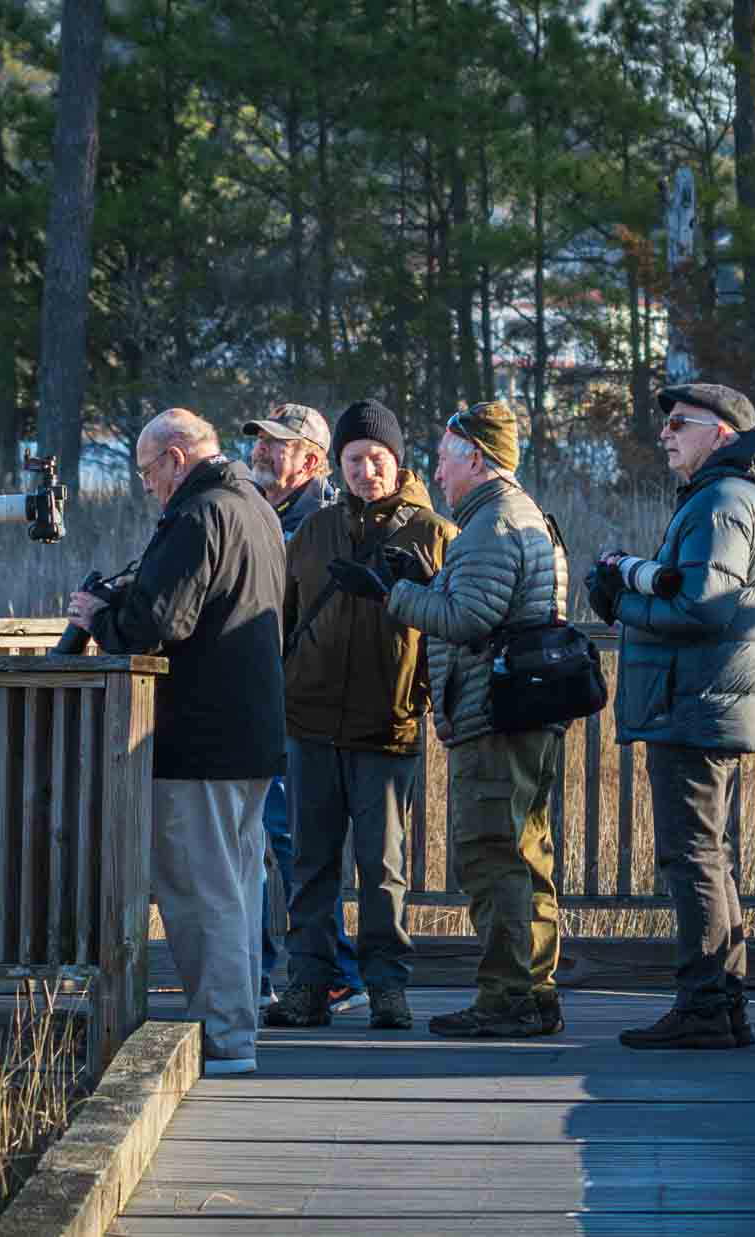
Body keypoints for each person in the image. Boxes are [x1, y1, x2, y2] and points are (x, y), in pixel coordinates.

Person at [338, 400, 567, 1039]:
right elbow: (486, 604)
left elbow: (469, 622)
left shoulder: (492, 525)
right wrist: (433, 582)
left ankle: (506, 999)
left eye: (444, 459)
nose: (437, 473)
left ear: (477, 457)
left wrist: (394, 596)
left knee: (493, 855)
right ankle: (535, 991)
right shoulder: (518, 517)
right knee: (526, 852)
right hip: (524, 713)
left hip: (495, 718)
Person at [69, 409, 288, 1076]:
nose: (149, 489)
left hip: (201, 738)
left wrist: (98, 616)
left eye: (147, 475)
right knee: (238, 885)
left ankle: (224, 1039)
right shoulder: (256, 509)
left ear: (173, 456)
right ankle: (236, 1021)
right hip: (250, 735)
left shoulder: (199, 515)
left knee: (202, 890)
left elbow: (160, 621)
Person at [588, 383, 755, 1051]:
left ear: (722, 436)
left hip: (694, 702)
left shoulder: (722, 501)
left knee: (692, 857)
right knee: (710, 856)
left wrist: (622, 605)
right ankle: (723, 1001)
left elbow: (702, 607)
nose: (666, 434)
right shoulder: (734, 497)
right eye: (666, 424)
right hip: (705, 701)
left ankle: (704, 1003)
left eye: (680, 423)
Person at [267, 400, 455, 1033]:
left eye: (378, 458)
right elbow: (286, 620)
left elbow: (445, 637)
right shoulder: (314, 532)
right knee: (310, 865)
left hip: (386, 724)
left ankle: (387, 988)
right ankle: (308, 986)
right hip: (310, 722)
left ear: (398, 463)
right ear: (338, 463)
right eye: (354, 459)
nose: (366, 469)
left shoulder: (434, 534)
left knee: (383, 868)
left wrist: (427, 703)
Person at [238, 402, 362, 1016]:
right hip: (258, 700)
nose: (261, 451)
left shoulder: (326, 523)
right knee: (257, 840)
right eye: (259, 441)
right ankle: (259, 972)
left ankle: (334, 973)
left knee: (294, 843)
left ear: (312, 460)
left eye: (276, 445)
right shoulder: (258, 512)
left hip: (300, 705)